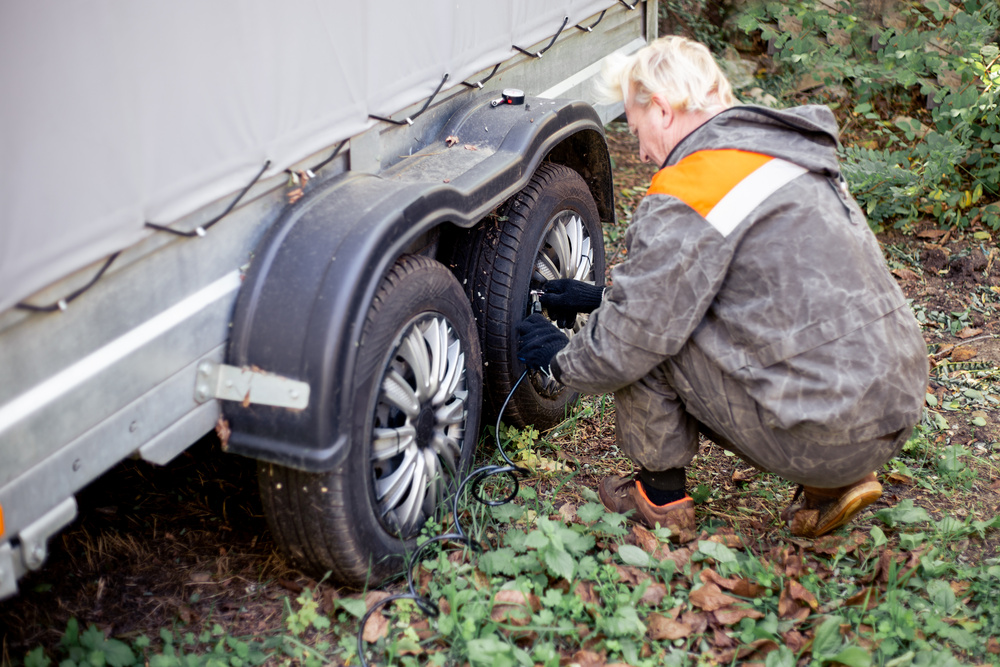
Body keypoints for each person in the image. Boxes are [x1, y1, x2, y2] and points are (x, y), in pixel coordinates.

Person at [516, 35, 929, 543]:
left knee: (647, 340)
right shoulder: (783, 157)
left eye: (637, 128)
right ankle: (836, 481)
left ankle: (659, 499)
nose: (640, 151)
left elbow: (636, 334)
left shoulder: (693, 187)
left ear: (662, 109)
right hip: (894, 403)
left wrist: (562, 360)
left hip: (824, 428)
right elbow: (757, 295)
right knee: (655, 318)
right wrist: (598, 297)